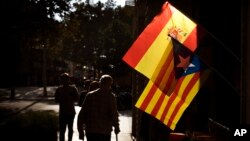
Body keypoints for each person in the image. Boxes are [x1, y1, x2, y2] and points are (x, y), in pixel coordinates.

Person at [77, 74, 120, 141]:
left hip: (91, 130)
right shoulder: (111, 97)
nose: (109, 87)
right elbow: (114, 114)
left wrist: (80, 130)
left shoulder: (90, 95)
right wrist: (116, 126)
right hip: (104, 131)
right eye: (109, 85)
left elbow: (82, 114)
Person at [55, 72, 79, 141]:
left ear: (68, 80)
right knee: (62, 130)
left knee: (70, 129)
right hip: (62, 112)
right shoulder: (59, 89)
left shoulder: (73, 88)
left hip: (70, 112)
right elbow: (56, 100)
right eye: (63, 79)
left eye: (66, 79)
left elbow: (77, 98)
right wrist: (62, 98)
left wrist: (71, 96)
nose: (64, 80)